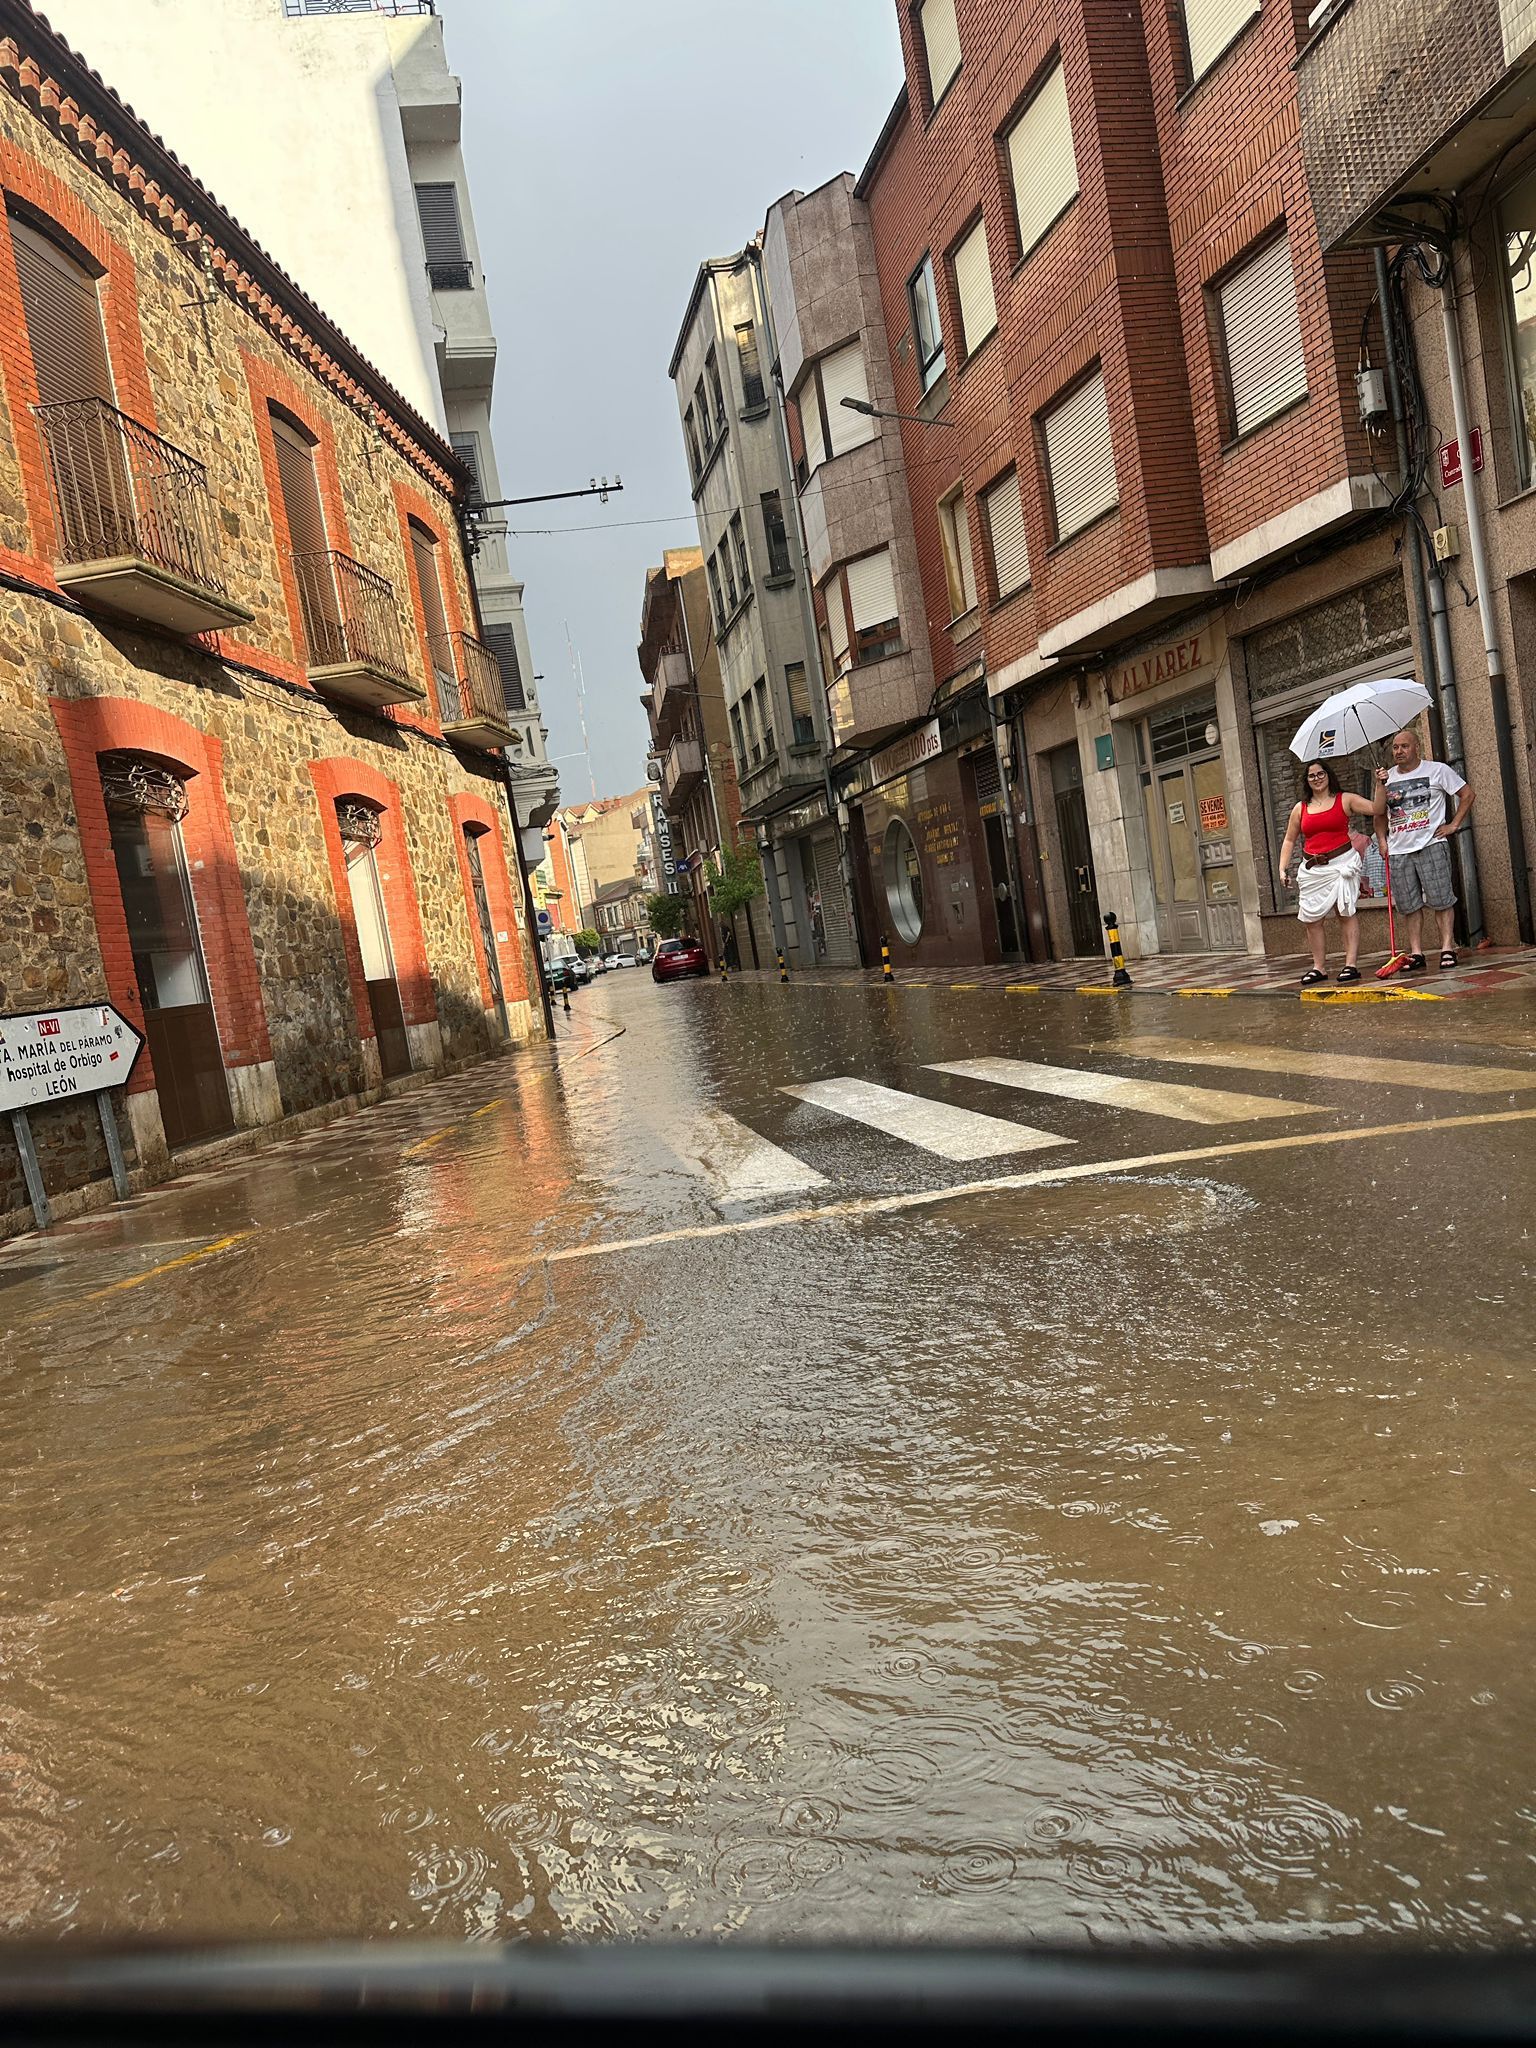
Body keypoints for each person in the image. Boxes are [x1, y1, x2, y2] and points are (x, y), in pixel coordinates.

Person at [1372, 728, 1475, 972]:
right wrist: (1382, 840)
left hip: (1431, 844)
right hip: (1399, 850)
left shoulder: (1437, 770)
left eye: (1404, 746)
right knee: (1409, 905)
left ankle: (1447, 947)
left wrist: (1454, 825)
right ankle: (1416, 953)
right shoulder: (1386, 779)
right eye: (1395, 747)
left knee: (1441, 899)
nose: (1399, 751)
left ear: (1417, 747)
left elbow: (1467, 794)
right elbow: (1378, 814)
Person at [1278, 758, 1379, 983]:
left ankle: (1351, 964)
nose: (1317, 778)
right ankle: (1319, 967)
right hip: (1312, 869)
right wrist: (1282, 868)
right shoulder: (1300, 808)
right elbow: (1288, 840)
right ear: (1306, 780)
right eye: (1312, 775)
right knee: (1312, 919)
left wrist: (1380, 784)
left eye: (1320, 773)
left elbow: (1376, 808)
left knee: (1345, 912)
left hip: (1341, 863)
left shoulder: (1345, 799)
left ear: (1328, 774)